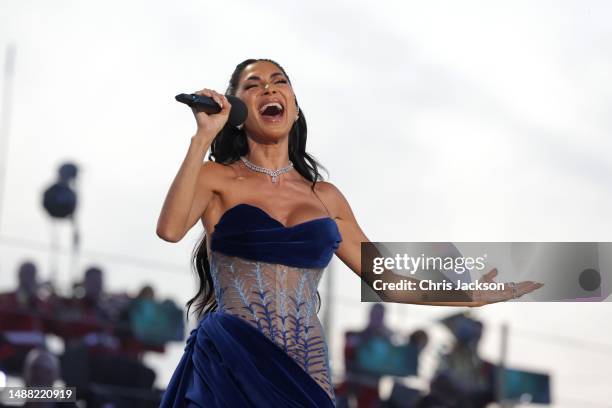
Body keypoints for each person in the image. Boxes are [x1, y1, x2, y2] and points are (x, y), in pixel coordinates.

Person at [156, 58, 542, 407]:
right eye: (253, 84)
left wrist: (471, 297)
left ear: (293, 106)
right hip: (233, 359)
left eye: (280, 81)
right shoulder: (216, 177)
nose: (269, 88)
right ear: (236, 108)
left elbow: (387, 281)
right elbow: (170, 230)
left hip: (307, 367)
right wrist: (202, 138)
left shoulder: (325, 197)